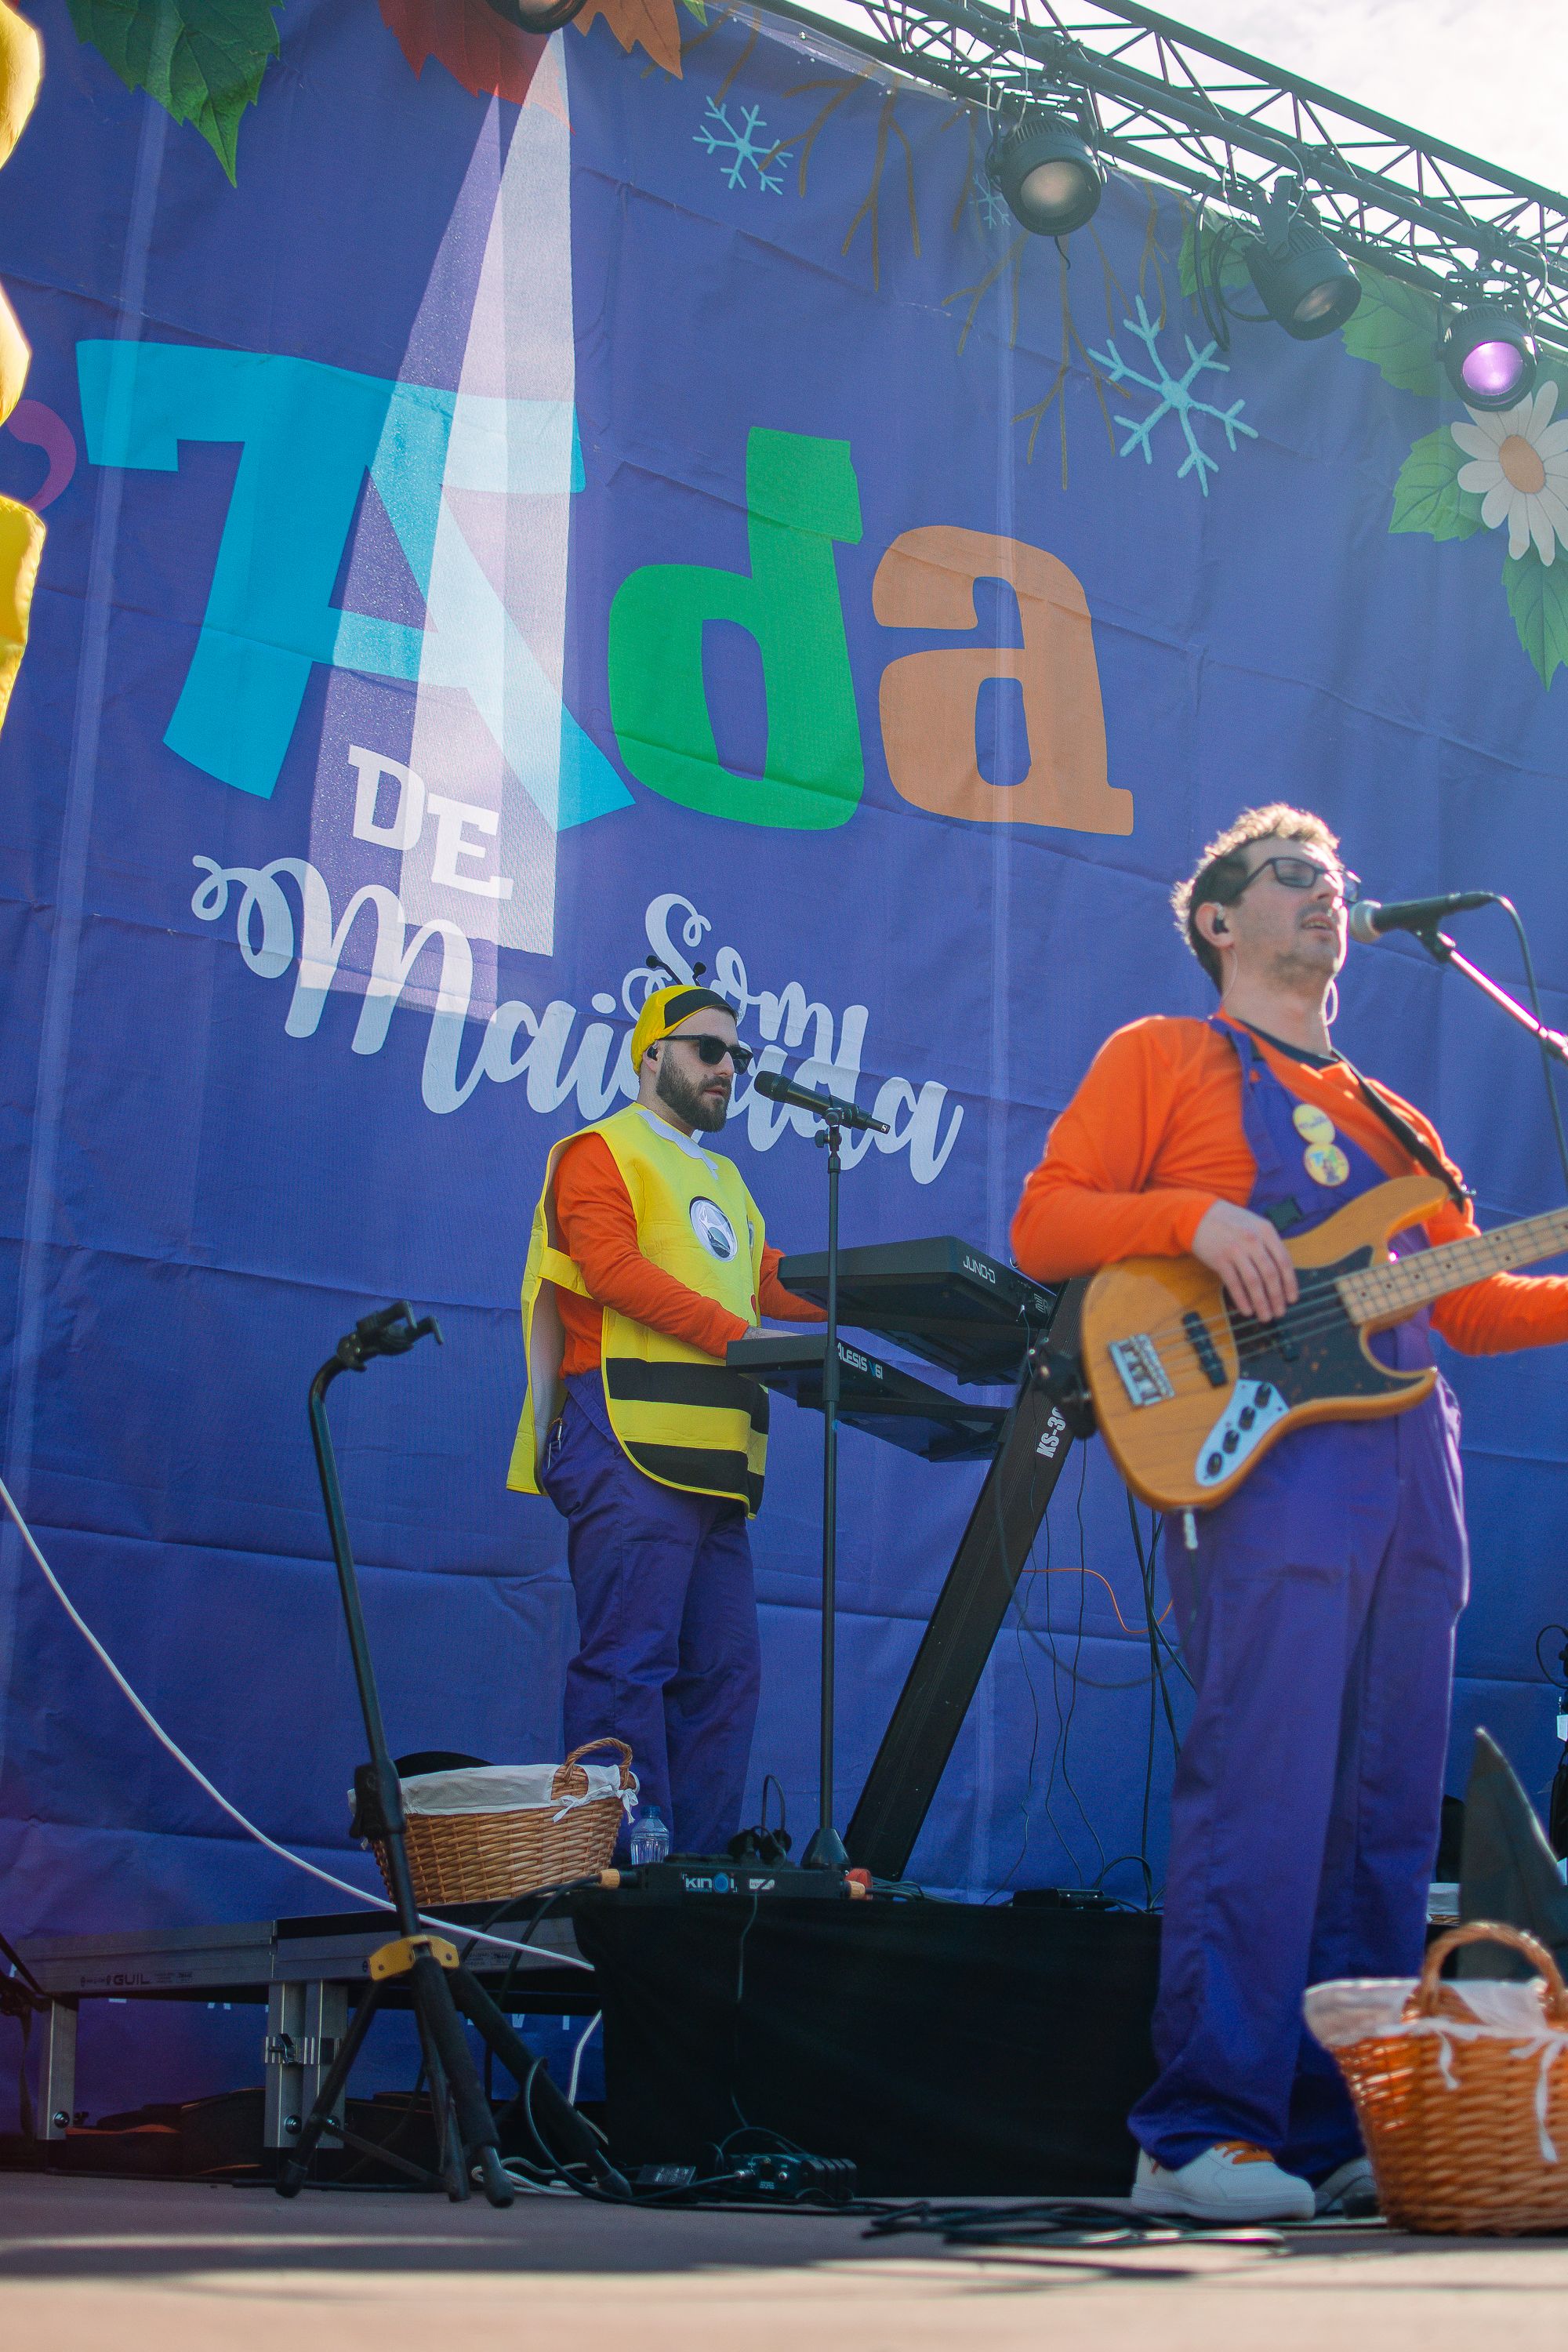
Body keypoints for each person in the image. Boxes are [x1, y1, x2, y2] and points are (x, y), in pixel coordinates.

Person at [1011, 804, 1568, 2224]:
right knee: (1264, 1785)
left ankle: (1338, 2124)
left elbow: (1465, 1305)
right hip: (1270, 1460)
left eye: (1339, 881)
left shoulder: (1401, 1125)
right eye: (1294, 879)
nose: (1330, 898)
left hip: (1408, 1461)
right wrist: (1193, 1223)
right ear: (1218, 919)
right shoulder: (1163, 1056)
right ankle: (1198, 2128)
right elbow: (1047, 1222)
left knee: (1387, 1814)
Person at [508, 983, 824, 1855]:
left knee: (724, 1675)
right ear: (651, 1055)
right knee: (627, 1666)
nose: (729, 1070)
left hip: (713, 1462)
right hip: (625, 1438)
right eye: (707, 1051)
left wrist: (888, 1297)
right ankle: (621, 1864)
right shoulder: (599, 1150)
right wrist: (742, 1341)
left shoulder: (723, 1175)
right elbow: (607, 1268)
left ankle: (697, 1878)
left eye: (739, 1058)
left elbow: (763, 1279)